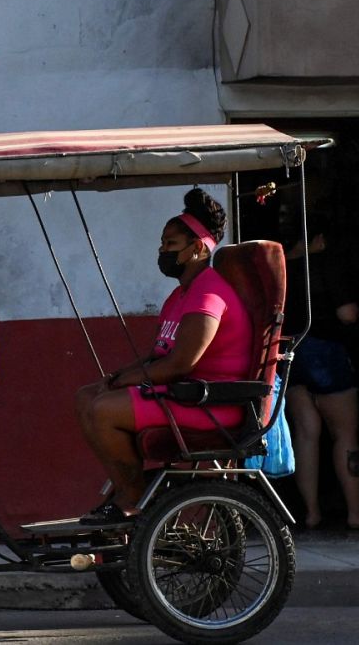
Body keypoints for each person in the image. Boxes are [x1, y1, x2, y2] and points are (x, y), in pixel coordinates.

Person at [74, 188, 251, 522]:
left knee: (103, 411)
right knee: (86, 396)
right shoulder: (180, 295)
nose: (162, 251)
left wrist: (126, 381)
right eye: (162, 243)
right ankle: (126, 486)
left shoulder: (209, 294)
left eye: (170, 245)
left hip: (209, 404)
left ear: (198, 248)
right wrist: (119, 376)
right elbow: (157, 355)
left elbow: (181, 363)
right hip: (183, 396)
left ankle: (132, 495)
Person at [283, 225, 359, 530]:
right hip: (327, 351)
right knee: (345, 435)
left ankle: (311, 513)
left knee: (306, 435)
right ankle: (356, 512)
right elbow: (347, 313)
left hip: (293, 353)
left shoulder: (282, 266)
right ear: (319, 238)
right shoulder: (326, 264)